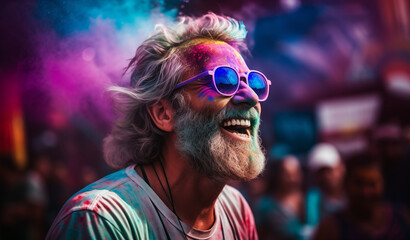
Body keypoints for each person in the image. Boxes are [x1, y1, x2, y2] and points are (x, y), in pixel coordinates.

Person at [47, 13, 270, 239]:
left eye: (255, 84)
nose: (251, 97)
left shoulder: (237, 210)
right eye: (225, 81)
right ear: (164, 114)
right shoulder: (100, 220)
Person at [312, 153, 410, 240]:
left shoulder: (403, 218)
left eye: (372, 184)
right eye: (359, 184)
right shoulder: (331, 229)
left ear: (383, 184)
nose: (366, 192)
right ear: (346, 185)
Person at [255, 155, 306, 240]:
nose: (292, 179)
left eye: (295, 174)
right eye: (287, 175)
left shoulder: (309, 199)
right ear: (278, 175)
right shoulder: (266, 205)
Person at [305, 143, 346, 230]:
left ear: (341, 168)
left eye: (330, 170)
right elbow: (313, 227)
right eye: (321, 172)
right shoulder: (313, 197)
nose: (326, 176)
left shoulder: (352, 192)